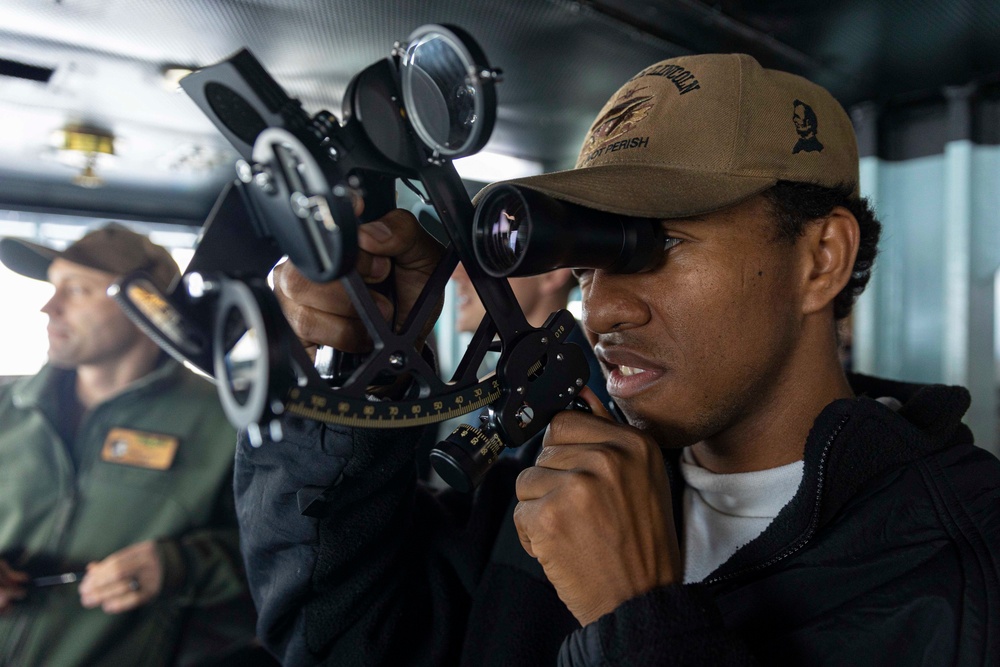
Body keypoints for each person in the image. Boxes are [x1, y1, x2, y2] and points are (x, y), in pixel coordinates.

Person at [234, 53, 1000, 665]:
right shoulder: (545, 488)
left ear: (821, 258)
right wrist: (363, 375)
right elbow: (336, 638)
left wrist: (636, 618)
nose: (603, 308)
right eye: (589, 255)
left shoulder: (963, 563)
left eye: (657, 244)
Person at [0, 224, 256, 666]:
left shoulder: (229, 423)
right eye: (52, 286)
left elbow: (283, 556)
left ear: (146, 305)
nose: (48, 307)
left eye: (76, 290)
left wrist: (181, 566)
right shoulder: (6, 404)